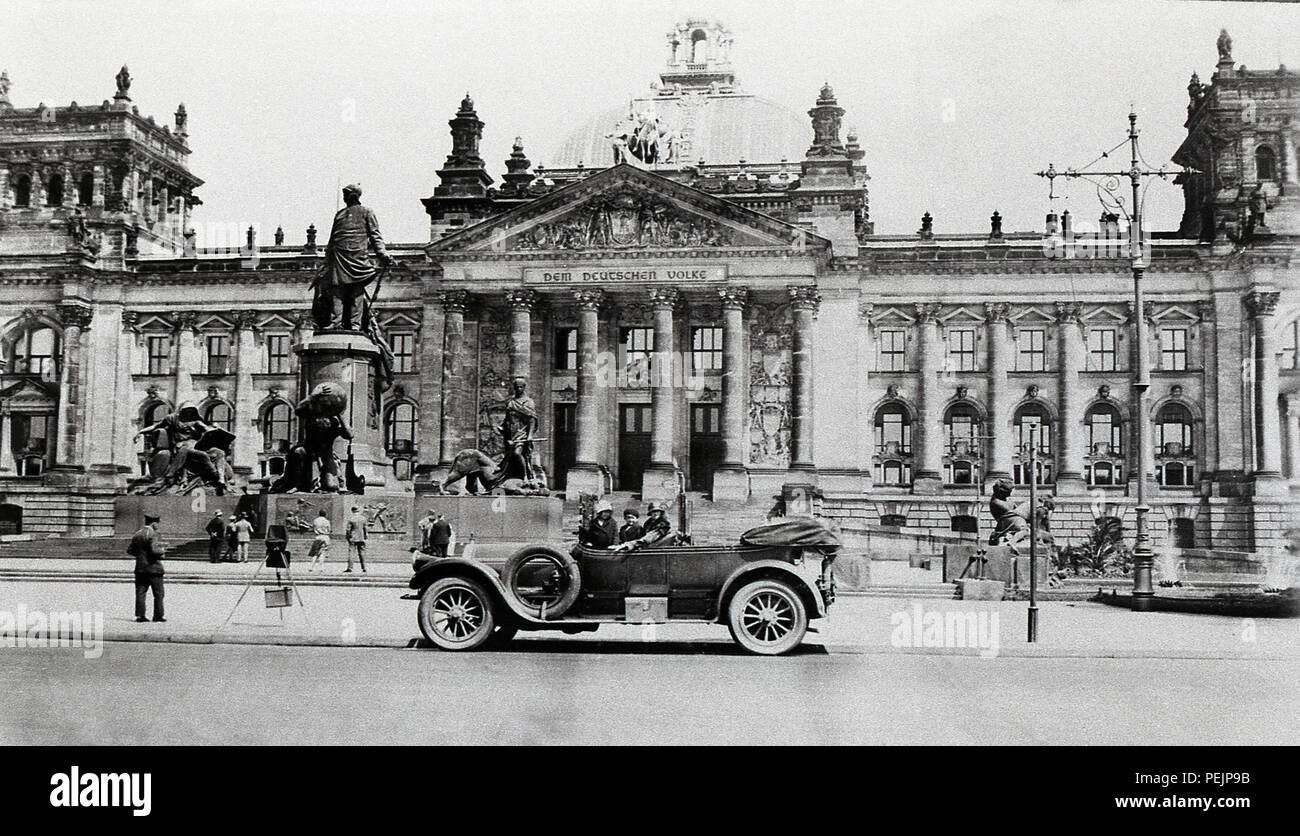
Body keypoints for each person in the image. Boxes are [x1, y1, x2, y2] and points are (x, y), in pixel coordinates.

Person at [311, 183, 394, 331]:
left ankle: (355, 325)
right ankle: (336, 322)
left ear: (354, 195)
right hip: (339, 256)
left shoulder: (367, 212)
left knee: (356, 289)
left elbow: (375, 236)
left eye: (347, 194)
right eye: (344, 194)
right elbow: (332, 239)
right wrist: (327, 261)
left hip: (357, 256)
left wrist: (383, 253)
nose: (344, 197)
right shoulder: (339, 214)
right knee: (337, 289)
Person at [129, 515, 166, 623]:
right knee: (158, 593)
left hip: (140, 569)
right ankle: (158, 616)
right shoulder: (154, 534)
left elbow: (130, 550)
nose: (158, 525)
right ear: (154, 523)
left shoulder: (137, 534)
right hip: (154, 569)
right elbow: (155, 551)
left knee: (141, 592)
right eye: (158, 523)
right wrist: (163, 550)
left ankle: (140, 616)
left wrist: (141, 556)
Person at [345, 505, 369, 574]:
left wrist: (348, 536)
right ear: (358, 510)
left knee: (351, 553)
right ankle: (364, 568)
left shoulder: (351, 519)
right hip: (361, 537)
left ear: (352, 511)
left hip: (353, 537)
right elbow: (365, 529)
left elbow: (348, 529)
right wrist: (365, 536)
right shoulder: (363, 518)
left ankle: (350, 568)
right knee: (362, 553)